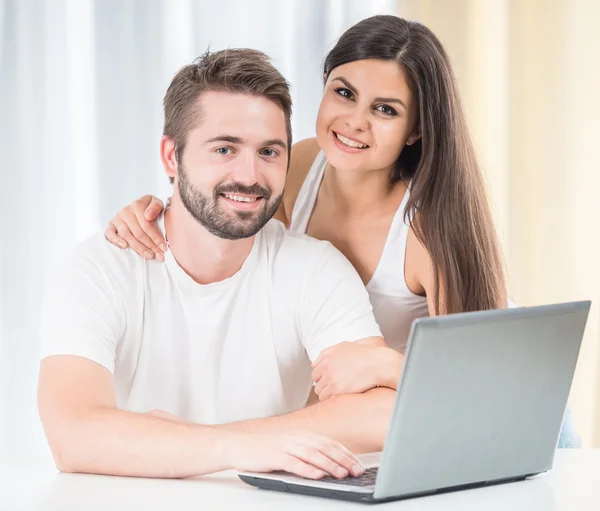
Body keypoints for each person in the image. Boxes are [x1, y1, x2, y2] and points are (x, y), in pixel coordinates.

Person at [106, 15, 581, 447]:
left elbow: (489, 388)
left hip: (515, 414)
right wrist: (157, 210)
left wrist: (390, 365)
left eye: (386, 110)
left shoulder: (427, 228)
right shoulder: (300, 166)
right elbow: (228, 220)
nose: (354, 122)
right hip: (382, 422)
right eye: (345, 92)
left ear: (416, 130)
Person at [38, 48, 399, 481]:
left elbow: (382, 412)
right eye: (225, 148)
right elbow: (73, 432)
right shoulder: (98, 270)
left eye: (269, 152)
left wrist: (209, 440)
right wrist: (242, 446)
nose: (249, 175)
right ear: (171, 157)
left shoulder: (316, 268)